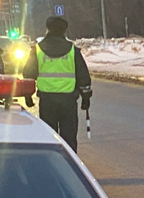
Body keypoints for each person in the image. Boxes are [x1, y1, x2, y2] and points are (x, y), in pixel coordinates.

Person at [22, 15, 92, 150]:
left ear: (47, 29)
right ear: (64, 31)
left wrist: (27, 95)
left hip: (47, 101)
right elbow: (83, 75)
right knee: (69, 138)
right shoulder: (72, 50)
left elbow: (28, 75)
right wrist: (86, 97)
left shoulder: (37, 49)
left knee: (49, 137)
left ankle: (51, 164)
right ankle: (69, 166)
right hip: (68, 100)